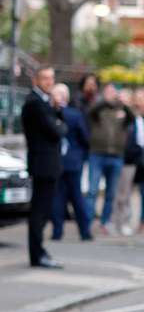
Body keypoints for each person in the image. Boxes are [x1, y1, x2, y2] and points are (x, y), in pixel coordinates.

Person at [20, 67, 66, 269]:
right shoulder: (36, 103)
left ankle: (39, 252)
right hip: (43, 164)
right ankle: (37, 254)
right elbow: (57, 131)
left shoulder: (44, 103)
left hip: (47, 164)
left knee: (43, 210)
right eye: (45, 78)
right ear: (36, 81)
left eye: (51, 78)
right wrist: (57, 115)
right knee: (39, 211)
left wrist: (57, 114)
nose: (49, 82)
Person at [86, 83, 130, 235]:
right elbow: (90, 112)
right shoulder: (98, 108)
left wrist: (124, 104)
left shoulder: (121, 109)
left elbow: (132, 118)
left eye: (113, 92)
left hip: (116, 156)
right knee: (92, 190)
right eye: (108, 91)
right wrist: (105, 101)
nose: (112, 94)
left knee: (111, 193)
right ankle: (87, 222)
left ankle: (105, 222)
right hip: (97, 154)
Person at [51, 84, 93, 242]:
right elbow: (84, 138)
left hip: (59, 160)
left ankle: (57, 231)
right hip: (73, 161)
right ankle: (84, 231)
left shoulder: (51, 114)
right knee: (76, 196)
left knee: (58, 196)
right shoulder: (75, 114)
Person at [126, 87, 144, 235]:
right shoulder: (130, 114)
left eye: (142, 97)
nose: (139, 100)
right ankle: (127, 218)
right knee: (127, 190)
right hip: (132, 156)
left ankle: (143, 220)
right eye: (136, 97)